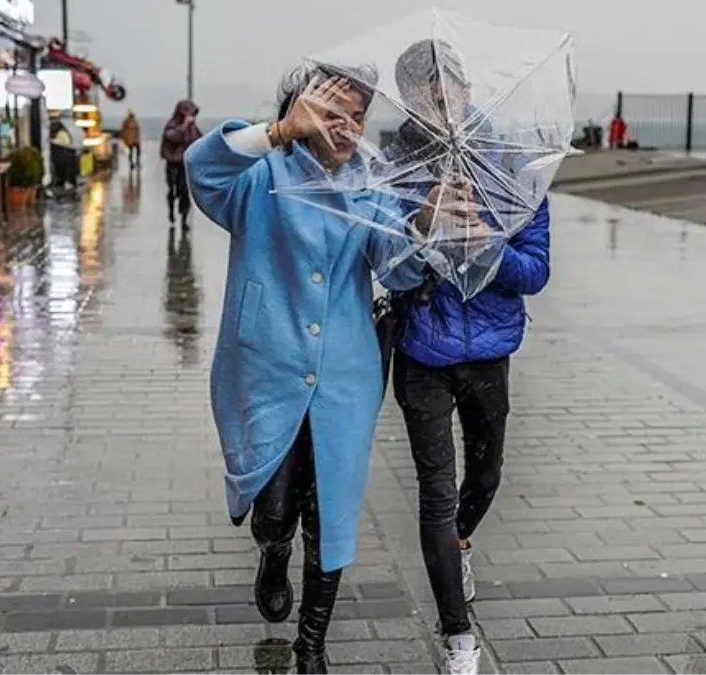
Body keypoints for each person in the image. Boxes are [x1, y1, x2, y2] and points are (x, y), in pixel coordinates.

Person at [185, 66, 428, 674]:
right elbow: (201, 169)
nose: (347, 128)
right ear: (300, 111)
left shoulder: (371, 184)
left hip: (345, 374)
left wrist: (423, 227)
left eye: (357, 117)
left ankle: (311, 645)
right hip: (266, 365)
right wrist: (276, 132)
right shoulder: (261, 177)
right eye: (332, 113)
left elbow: (397, 271)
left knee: (332, 514)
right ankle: (272, 549)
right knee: (274, 508)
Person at [387, 38, 552, 675]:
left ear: (465, 88)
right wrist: (425, 226)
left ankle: (461, 542)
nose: (437, 97)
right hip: (421, 349)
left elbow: (535, 272)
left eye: (446, 83)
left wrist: (485, 246)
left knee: (484, 479)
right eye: (422, 88)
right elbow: (387, 271)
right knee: (434, 493)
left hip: (489, 351)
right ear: (408, 99)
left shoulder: (511, 163)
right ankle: (459, 636)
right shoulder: (394, 164)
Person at [161, 100, 202, 227]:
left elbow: (200, 141)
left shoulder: (193, 128)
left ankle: (184, 219)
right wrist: (184, 126)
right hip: (173, 162)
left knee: (185, 192)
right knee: (172, 190)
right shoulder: (171, 124)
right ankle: (171, 211)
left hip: (185, 164)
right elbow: (172, 137)